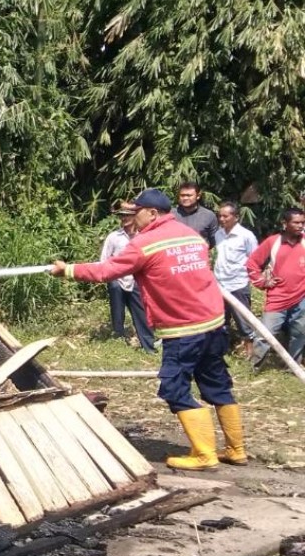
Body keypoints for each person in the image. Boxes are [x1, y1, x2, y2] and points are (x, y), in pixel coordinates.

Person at [50, 188, 245, 470]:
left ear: (152, 213)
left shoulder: (146, 243)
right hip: (213, 324)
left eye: (136, 211)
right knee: (217, 384)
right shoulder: (191, 235)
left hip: (183, 329)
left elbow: (107, 271)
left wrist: (67, 270)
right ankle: (236, 450)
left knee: (175, 388)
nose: (133, 217)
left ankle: (205, 455)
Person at [245, 208, 305, 370]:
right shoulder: (274, 242)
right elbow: (252, 264)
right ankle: (254, 368)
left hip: (301, 298)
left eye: (302, 222)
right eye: (296, 223)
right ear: (285, 224)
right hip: (277, 298)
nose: (300, 226)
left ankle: (292, 367)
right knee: (265, 335)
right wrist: (263, 282)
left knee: (299, 334)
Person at [100, 203, 155, 352]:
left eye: (127, 215)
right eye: (121, 215)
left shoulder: (144, 236)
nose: (124, 218)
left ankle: (148, 344)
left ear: (135, 216)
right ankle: (118, 335)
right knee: (116, 300)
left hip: (137, 279)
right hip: (117, 277)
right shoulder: (114, 237)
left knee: (141, 311)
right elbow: (104, 260)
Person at [213, 201, 259, 357]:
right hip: (220, 284)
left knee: (243, 320)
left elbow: (255, 259)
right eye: (220, 215)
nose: (222, 219)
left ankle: (250, 353)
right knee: (221, 320)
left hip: (238, 283)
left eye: (226, 216)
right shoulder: (218, 234)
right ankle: (222, 351)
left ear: (236, 217)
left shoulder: (246, 236)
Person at [174, 181, 219, 248]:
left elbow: (215, 241)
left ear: (198, 196)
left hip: (200, 256)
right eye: (182, 195)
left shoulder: (209, 216)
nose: (185, 198)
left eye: (189, 195)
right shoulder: (171, 215)